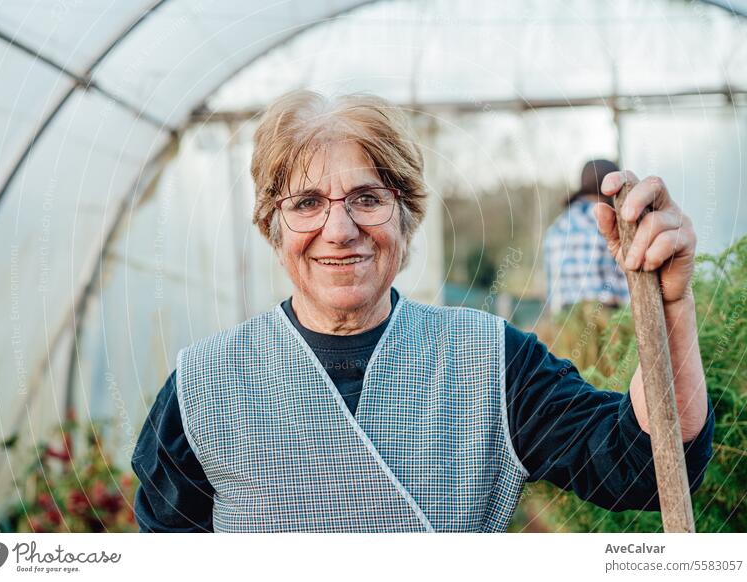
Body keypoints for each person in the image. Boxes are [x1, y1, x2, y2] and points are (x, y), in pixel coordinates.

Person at [131, 91, 714, 532]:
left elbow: (645, 468)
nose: (340, 230)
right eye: (307, 203)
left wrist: (669, 309)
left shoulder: (490, 362)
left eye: (367, 199)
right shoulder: (204, 386)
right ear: (273, 228)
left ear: (404, 219)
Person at [542, 159, 631, 373]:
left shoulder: (557, 226)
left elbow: (552, 287)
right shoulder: (608, 223)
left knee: (575, 387)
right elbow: (624, 277)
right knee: (612, 387)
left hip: (566, 325)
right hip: (606, 324)